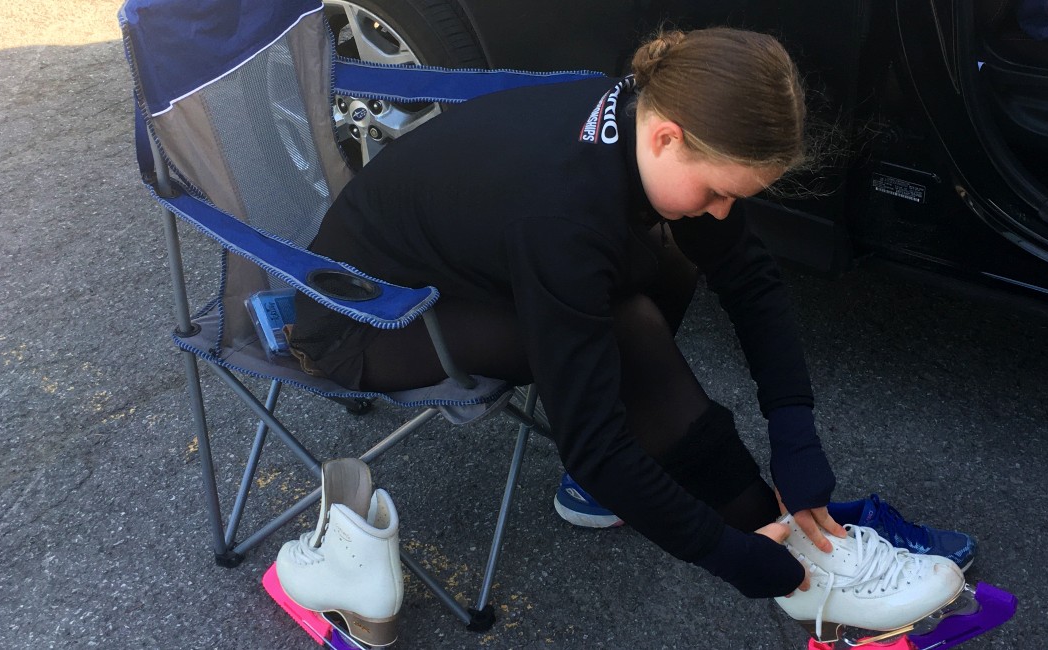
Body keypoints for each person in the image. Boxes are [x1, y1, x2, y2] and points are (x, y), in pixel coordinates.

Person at [289, 27, 972, 600]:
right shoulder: (564, 214)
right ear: (670, 137)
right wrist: (731, 550)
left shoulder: (643, 118)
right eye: (717, 190)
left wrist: (794, 429)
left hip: (473, 264)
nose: (723, 209)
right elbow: (591, 435)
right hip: (365, 316)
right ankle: (806, 564)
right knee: (626, 334)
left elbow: (750, 279)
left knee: (677, 249)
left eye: (738, 196)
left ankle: (676, 494)